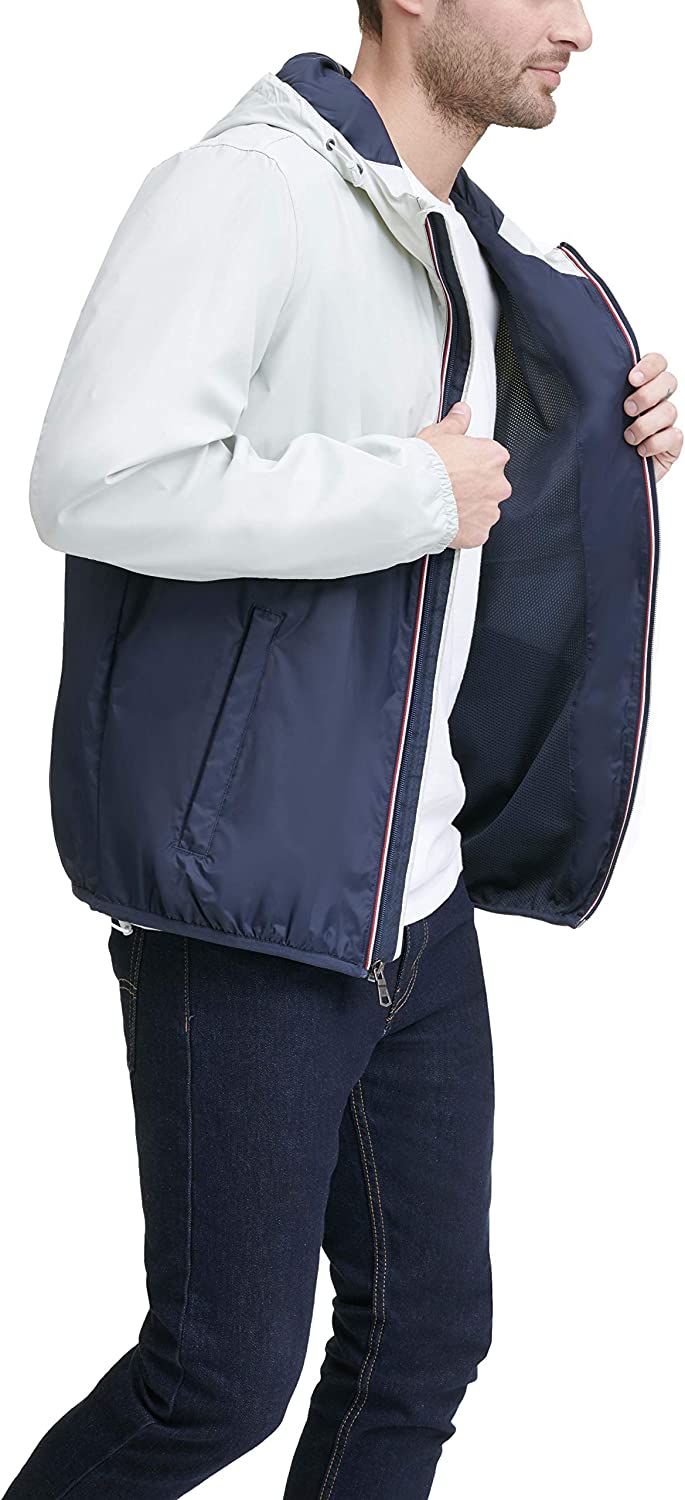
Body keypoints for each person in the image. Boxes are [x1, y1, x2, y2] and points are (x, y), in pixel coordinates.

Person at [7, 2, 680, 1496]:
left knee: (423, 1339)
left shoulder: (452, 239)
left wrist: (608, 428)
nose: (580, 26)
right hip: (256, 898)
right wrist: (406, 491)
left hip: (412, 891)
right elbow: (92, 479)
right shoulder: (247, 189)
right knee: (213, 1383)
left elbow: (459, 492)